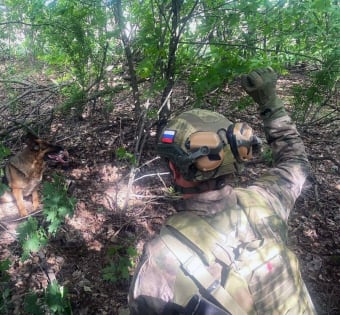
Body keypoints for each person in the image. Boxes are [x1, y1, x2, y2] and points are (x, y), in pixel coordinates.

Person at [128, 67, 317, 314]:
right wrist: (270, 102)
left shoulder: (161, 261)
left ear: (175, 170)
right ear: (238, 156)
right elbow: (295, 162)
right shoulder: (265, 201)